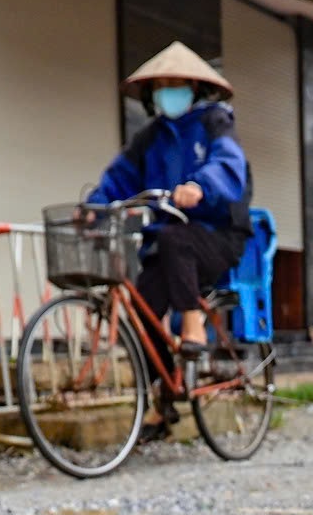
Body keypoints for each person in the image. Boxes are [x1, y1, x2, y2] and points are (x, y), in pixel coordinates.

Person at [87, 42, 251, 357]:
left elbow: (228, 163)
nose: (166, 92)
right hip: (166, 244)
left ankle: (192, 324)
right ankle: (160, 396)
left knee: (176, 239)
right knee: (142, 307)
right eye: (159, 86)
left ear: (192, 86)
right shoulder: (149, 137)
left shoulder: (214, 121)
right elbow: (120, 179)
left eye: (173, 85)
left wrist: (200, 187)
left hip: (218, 236)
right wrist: (96, 207)